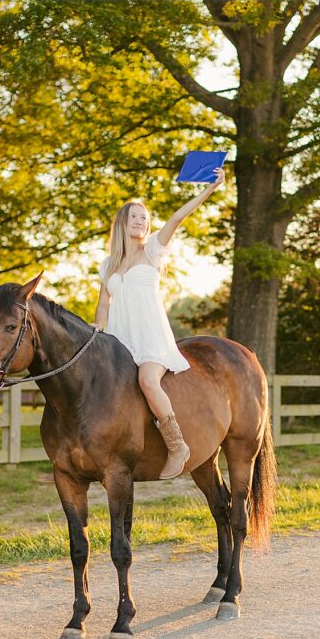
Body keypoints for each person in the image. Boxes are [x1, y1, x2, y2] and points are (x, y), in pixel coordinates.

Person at [92, 167, 226, 479]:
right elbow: (103, 304)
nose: (141, 221)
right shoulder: (107, 265)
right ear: (123, 222)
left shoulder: (153, 250)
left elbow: (178, 218)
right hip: (120, 343)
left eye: (144, 217)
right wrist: (97, 329)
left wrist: (210, 189)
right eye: (135, 217)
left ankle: (177, 446)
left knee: (148, 381)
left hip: (151, 340)